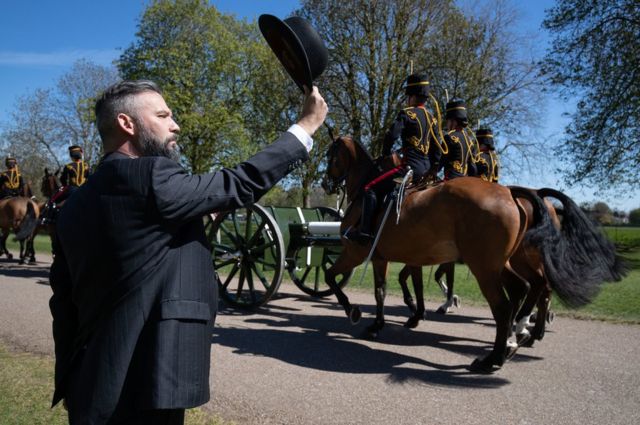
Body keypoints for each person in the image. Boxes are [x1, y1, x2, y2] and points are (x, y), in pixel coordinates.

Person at [49, 80, 327, 424]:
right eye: (163, 115)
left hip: (90, 384)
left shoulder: (74, 204)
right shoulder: (151, 175)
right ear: (127, 123)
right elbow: (238, 182)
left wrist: (69, 381)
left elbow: (63, 304)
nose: (175, 124)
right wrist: (305, 127)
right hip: (149, 382)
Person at [346, 72, 443, 243]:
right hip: (426, 172)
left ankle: (365, 233)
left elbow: (392, 135)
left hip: (408, 169)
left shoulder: (406, 113)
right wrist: (434, 168)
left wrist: (385, 152)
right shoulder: (433, 119)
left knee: (370, 188)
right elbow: (438, 150)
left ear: (412, 96)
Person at [438, 99, 477, 180]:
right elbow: (473, 169)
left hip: (450, 179)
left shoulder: (449, 137)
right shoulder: (470, 141)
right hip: (465, 180)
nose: (447, 125)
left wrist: (432, 170)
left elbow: (440, 162)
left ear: (453, 121)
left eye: (448, 121)